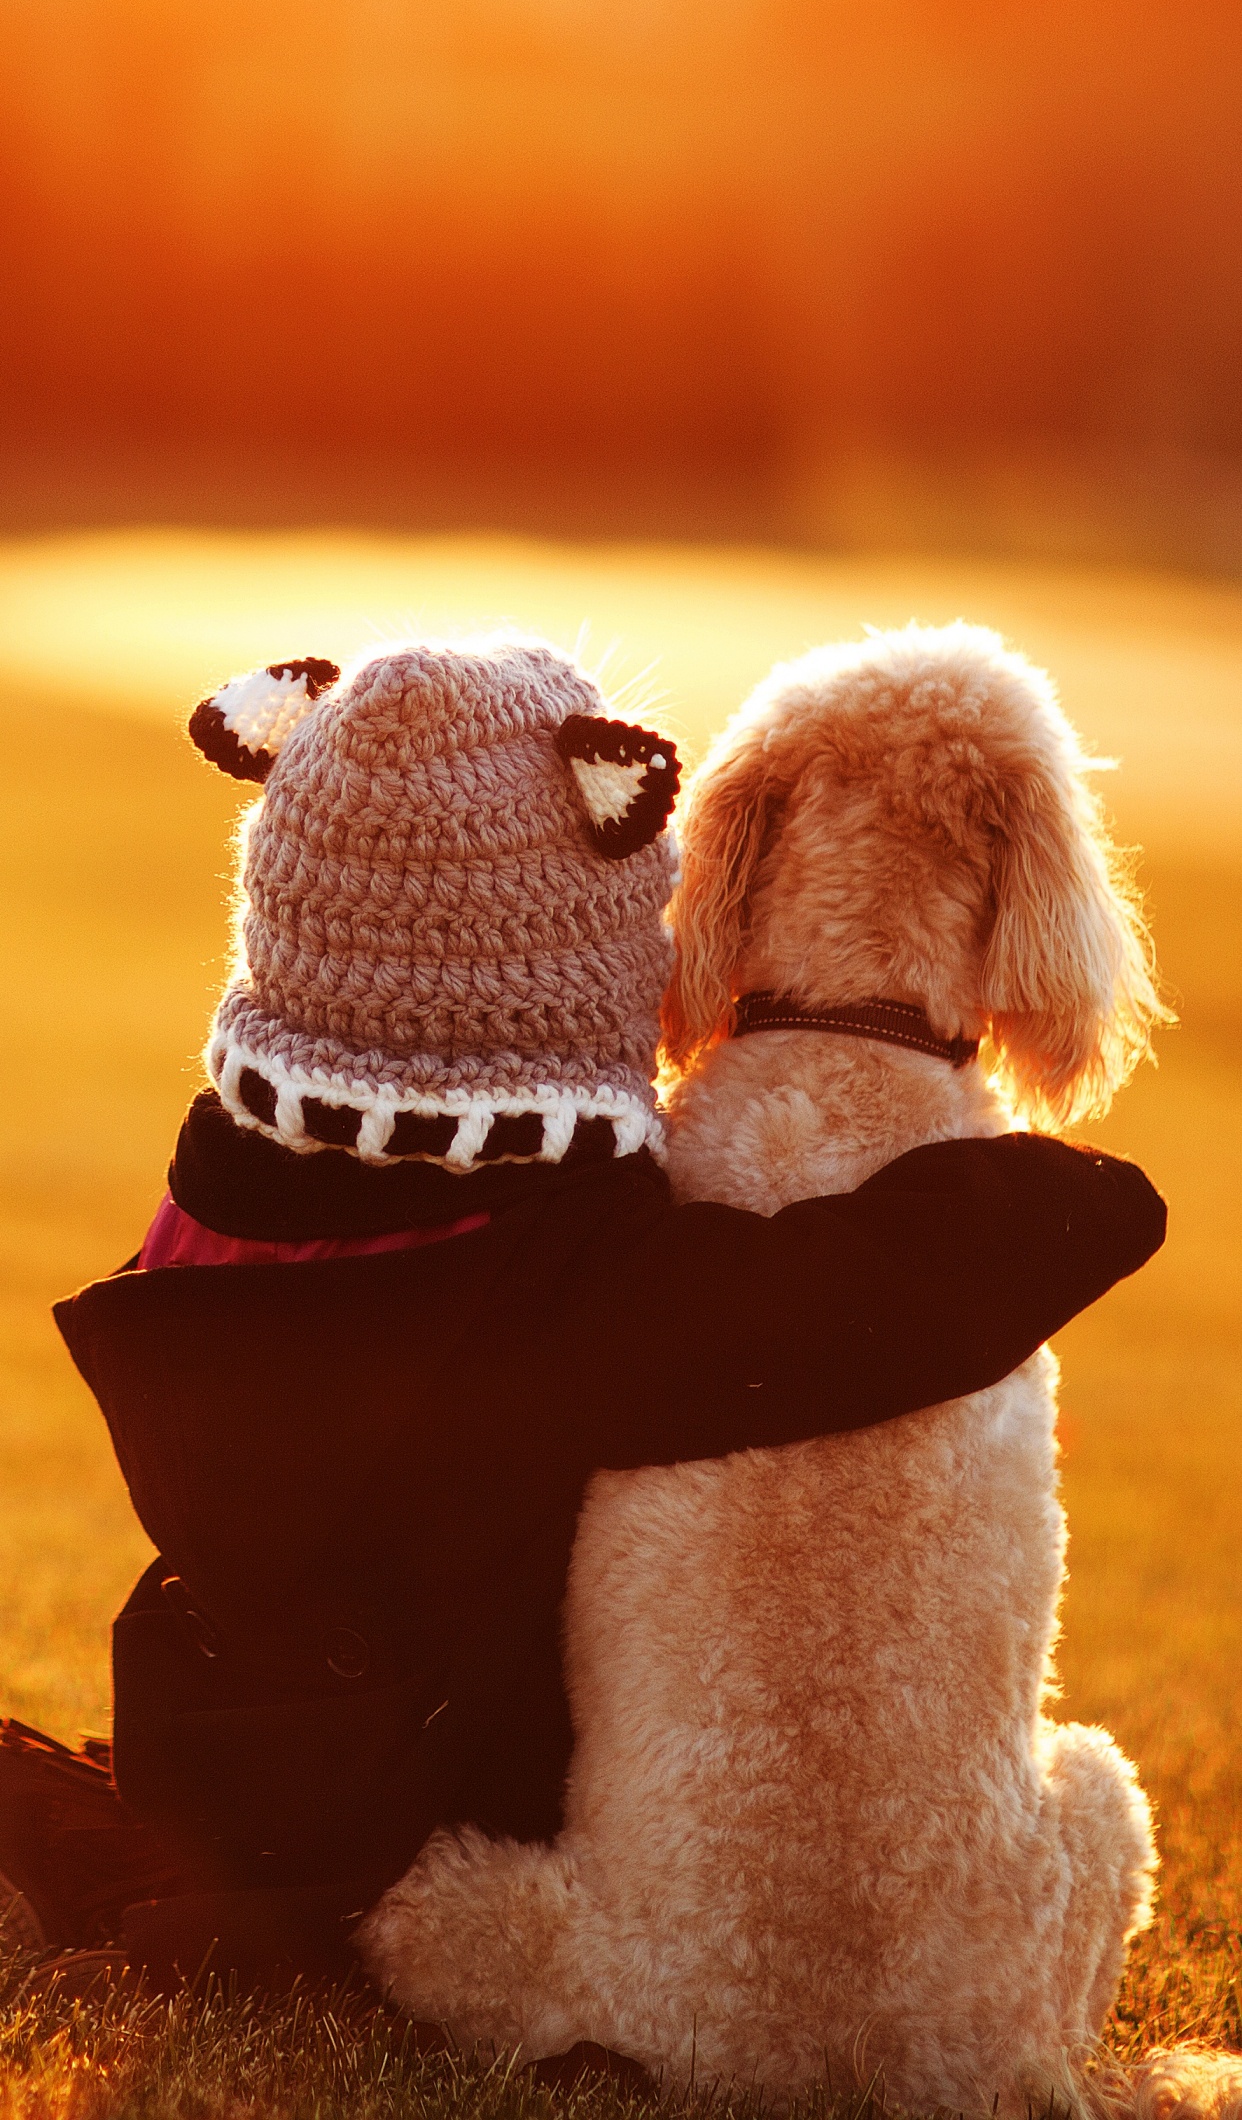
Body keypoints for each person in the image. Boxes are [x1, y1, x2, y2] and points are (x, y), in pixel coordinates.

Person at [2, 641, 1166, 1993]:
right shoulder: (553, 1294)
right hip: (404, 1797)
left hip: (217, 1720)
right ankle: (186, 1927)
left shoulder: (226, 1192)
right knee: (390, 1928)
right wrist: (1068, 1194)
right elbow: (844, 1303)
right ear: (567, 956)